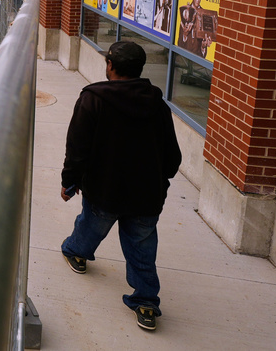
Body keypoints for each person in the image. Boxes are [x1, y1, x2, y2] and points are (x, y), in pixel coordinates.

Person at [60, 41, 182, 332]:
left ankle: (76, 252)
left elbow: (77, 148)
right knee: (142, 249)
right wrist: (160, 182)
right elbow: (173, 156)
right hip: (146, 196)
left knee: (91, 226)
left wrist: (69, 181)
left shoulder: (93, 99)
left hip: (105, 190)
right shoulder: (157, 104)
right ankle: (146, 304)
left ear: (110, 66)